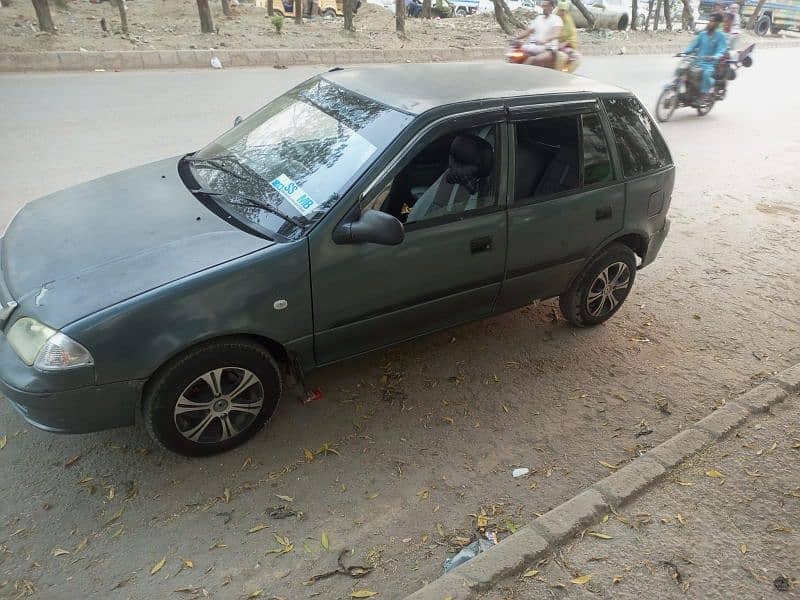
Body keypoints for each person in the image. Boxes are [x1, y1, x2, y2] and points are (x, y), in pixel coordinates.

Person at [681, 12, 728, 102]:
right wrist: (684, 52)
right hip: (697, 61)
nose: (709, 23)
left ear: (717, 23)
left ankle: (704, 93)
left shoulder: (720, 36)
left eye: (712, 21)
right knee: (684, 70)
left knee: (706, 74)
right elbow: (693, 45)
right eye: (709, 20)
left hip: (710, 63)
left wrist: (715, 56)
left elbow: (721, 50)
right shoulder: (702, 34)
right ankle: (687, 90)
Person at [516, 0, 563, 67]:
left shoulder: (556, 19)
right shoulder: (538, 18)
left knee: (533, 59)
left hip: (549, 49)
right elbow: (528, 32)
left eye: (546, 6)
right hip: (534, 47)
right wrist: (516, 38)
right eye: (543, 6)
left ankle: (522, 72)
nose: (543, 8)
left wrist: (545, 40)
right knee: (517, 55)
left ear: (551, 7)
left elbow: (556, 34)